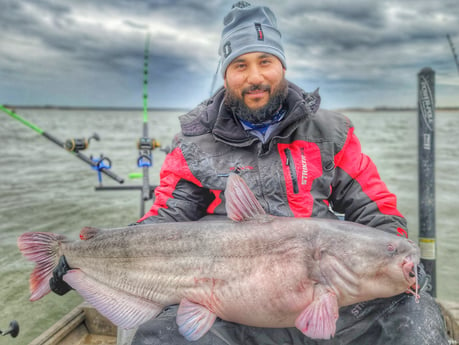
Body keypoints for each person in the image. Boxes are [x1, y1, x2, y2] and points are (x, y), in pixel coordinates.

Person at [51, 2, 449, 344]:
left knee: (417, 320)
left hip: (333, 301)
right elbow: (168, 218)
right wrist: (90, 252)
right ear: (226, 75)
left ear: (282, 66)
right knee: (158, 337)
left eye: (265, 62)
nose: (254, 76)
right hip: (229, 311)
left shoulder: (332, 132)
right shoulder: (192, 145)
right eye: (240, 64)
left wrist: (401, 259)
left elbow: (374, 208)